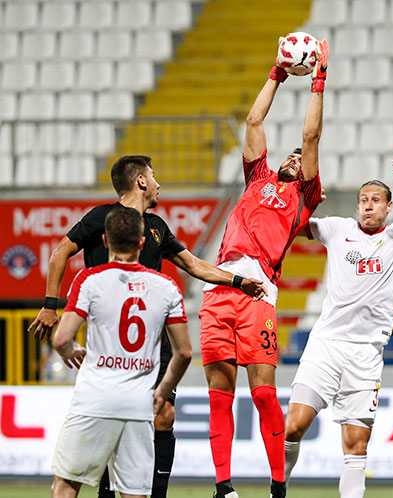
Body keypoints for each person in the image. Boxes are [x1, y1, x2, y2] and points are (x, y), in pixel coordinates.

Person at [28, 155, 265, 498]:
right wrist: (51, 305)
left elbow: (194, 264)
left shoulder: (156, 226)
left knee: (164, 414)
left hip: (153, 341)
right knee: (119, 419)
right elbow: (59, 253)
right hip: (110, 339)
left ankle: (156, 492)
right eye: (153, 176)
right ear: (140, 181)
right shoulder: (101, 219)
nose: (158, 184)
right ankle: (112, 489)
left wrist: (238, 280)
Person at [283, 155, 393, 498]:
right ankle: (280, 487)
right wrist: (298, 193)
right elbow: (291, 224)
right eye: (363, 200)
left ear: (389, 207)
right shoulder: (337, 228)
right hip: (326, 344)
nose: (367, 206)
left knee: (356, 446)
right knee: (293, 426)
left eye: (376, 201)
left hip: (366, 353)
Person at [198, 38, 328, 498]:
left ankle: (277, 486)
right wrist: (276, 71)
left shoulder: (304, 198)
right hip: (219, 288)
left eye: (300, 158)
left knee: (264, 394)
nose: (295, 157)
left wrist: (317, 81)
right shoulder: (259, 178)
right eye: (289, 155)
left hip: (259, 293)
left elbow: (312, 137)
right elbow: (254, 120)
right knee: (219, 392)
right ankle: (223, 486)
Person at [50, 206, 192, 498]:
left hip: (94, 397)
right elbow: (185, 353)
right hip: (138, 402)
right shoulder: (167, 287)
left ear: (105, 241)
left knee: (66, 484)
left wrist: (70, 350)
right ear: (142, 243)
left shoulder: (88, 280)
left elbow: (61, 338)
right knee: (133, 492)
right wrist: (162, 390)